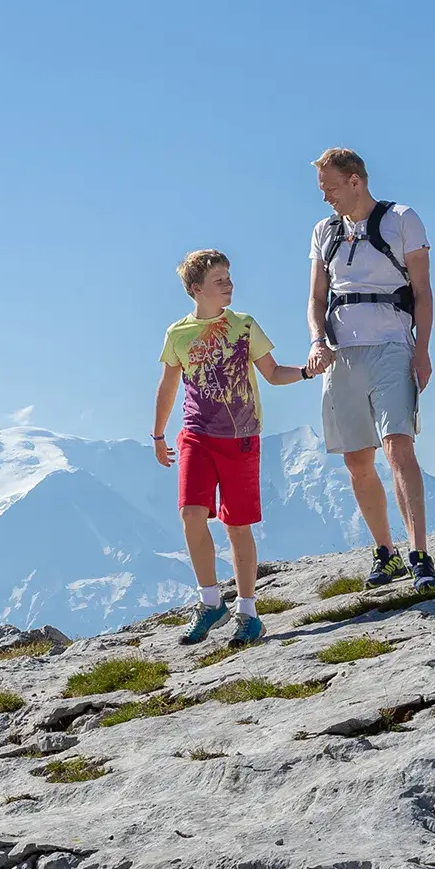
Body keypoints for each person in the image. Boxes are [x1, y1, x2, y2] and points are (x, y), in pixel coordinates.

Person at [153, 249, 311, 647]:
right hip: (196, 435)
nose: (229, 285)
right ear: (196, 289)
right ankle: (210, 603)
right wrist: (157, 435)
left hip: (241, 437)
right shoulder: (178, 334)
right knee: (191, 514)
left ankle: (248, 613)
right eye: (220, 280)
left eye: (229, 277)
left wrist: (309, 370)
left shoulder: (244, 326)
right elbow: (168, 386)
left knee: (236, 526)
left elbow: (273, 374)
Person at [306, 148, 435, 594]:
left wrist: (421, 350)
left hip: (391, 345)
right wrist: (317, 340)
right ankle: (385, 552)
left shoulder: (402, 219)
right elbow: (315, 299)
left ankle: (419, 553)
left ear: (355, 181)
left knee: (398, 448)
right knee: (356, 460)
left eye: (329, 187)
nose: (325, 197)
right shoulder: (324, 232)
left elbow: (422, 291)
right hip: (341, 352)